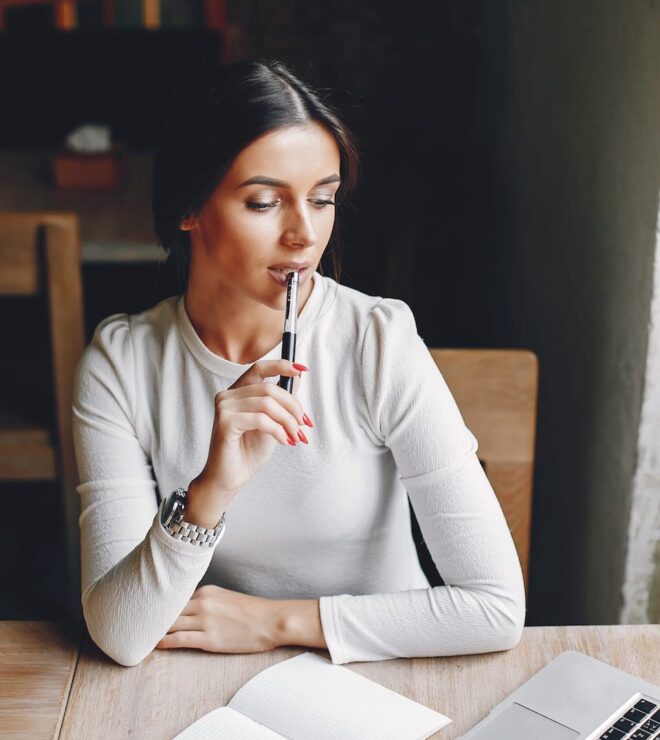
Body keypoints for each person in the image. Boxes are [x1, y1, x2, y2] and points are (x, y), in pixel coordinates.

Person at [72, 59, 525, 668]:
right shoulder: (122, 364)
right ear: (189, 207)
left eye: (322, 199)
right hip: (213, 680)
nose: (305, 235)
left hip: (390, 672)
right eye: (264, 202)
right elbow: (121, 636)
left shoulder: (377, 342)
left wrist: (275, 622)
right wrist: (208, 492)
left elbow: (495, 608)